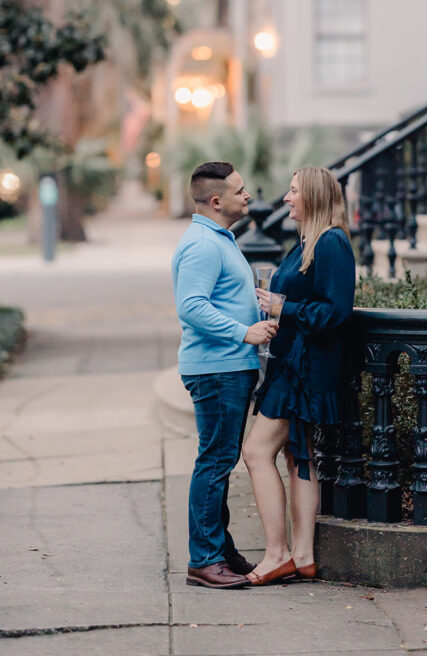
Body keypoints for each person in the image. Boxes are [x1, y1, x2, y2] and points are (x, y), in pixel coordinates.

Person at [242, 166, 355, 586]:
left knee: (255, 453)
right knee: (298, 457)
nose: (286, 198)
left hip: (304, 369)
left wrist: (282, 310)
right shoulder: (307, 241)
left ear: (311, 197)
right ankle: (303, 555)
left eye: (293, 192)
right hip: (292, 361)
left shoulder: (331, 242)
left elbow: (337, 311)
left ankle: (277, 554)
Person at [172, 161, 277, 590]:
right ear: (217, 201)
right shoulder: (202, 244)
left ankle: (221, 550)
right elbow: (191, 306)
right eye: (239, 190)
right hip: (217, 369)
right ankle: (205, 559)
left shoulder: (219, 239)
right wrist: (244, 330)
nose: (248, 195)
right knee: (214, 463)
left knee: (219, 461)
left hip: (229, 367)